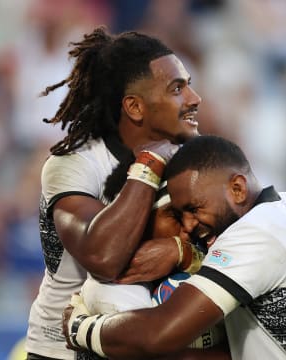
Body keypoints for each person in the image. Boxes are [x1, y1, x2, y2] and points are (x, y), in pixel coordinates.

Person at [62, 135, 286, 360]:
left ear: (236, 188)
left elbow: (160, 333)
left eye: (192, 208)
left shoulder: (260, 231)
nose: (189, 225)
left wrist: (82, 328)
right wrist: (184, 253)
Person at [25, 26, 209, 360]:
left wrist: (185, 251)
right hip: (63, 348)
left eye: (189, 85)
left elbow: (237, 239)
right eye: (177, 88)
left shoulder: (196, 157)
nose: (194, 99)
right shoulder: (73, 163)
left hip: (143, 340)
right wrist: (151, 162)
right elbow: (104, 258)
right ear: (135, 107)